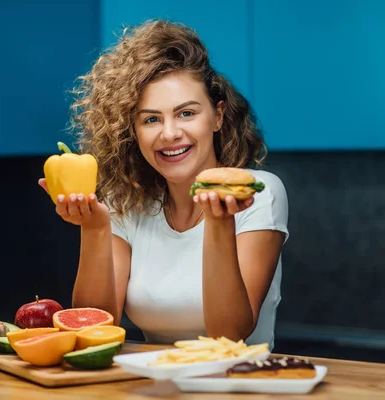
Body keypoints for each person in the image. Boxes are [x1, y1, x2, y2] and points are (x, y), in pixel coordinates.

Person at [39, 20, 288, 350]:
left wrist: (218, 221)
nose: (169, 133)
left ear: (217, 116)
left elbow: (229, 334)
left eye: (186, 113)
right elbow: (94, 328)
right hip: (151, 386)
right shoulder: (125, 201)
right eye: (151, 119)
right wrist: (95, 229)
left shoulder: (258, 193)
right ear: (134, 131)